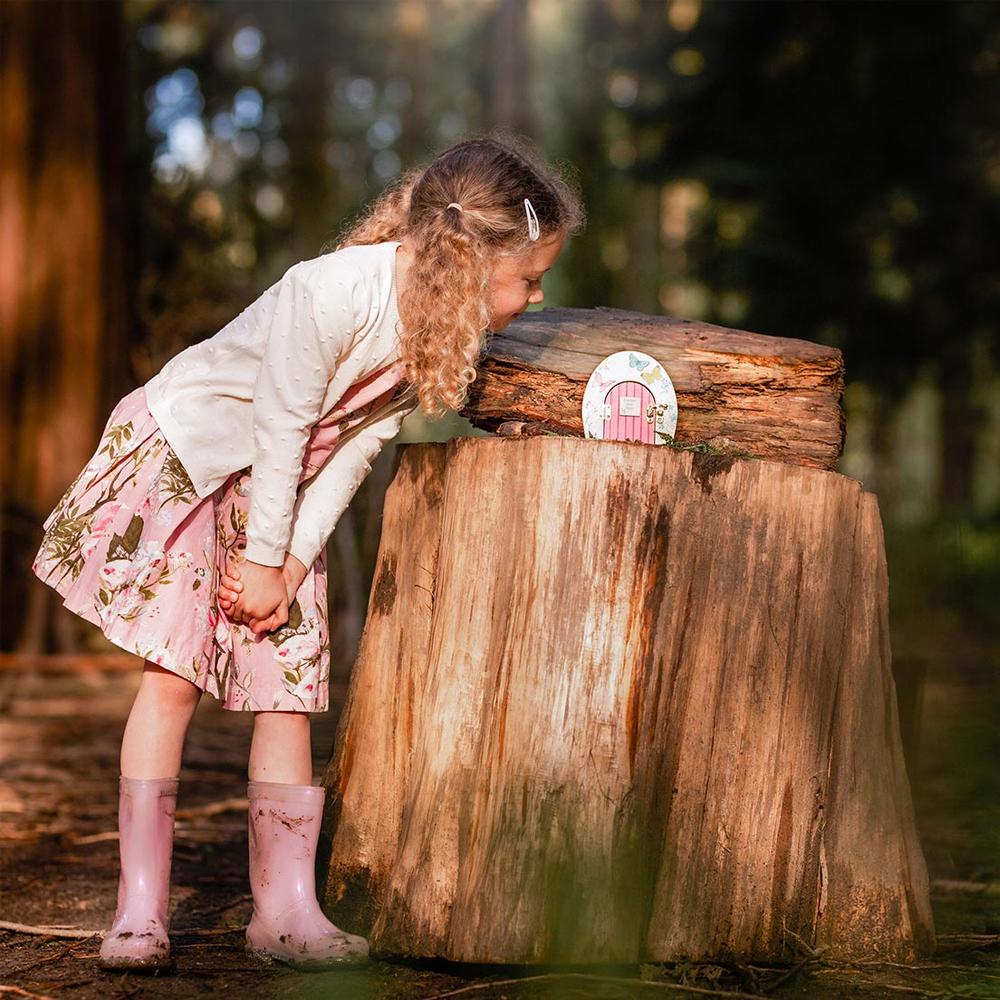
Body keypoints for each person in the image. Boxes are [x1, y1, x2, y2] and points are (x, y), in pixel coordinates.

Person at [31, 132, 585, 973]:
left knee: (287, 688)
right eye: (529, 278)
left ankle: (284, 909)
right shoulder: (328, 292)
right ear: (472, 263)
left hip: (281, 504)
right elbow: (281, 424)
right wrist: (261, 554)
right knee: (172, 678)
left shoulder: (436, 332)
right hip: (201, 463)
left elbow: (356, 447)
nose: (536, 298)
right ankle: (139, 909)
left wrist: (287, 567)